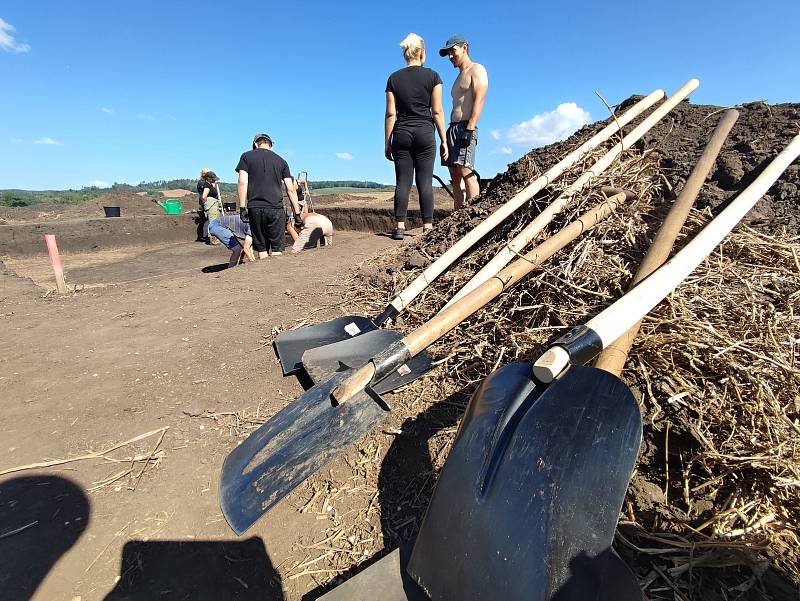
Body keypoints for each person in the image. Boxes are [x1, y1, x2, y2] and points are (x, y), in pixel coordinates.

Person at [384, 33, 448, 241]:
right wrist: (444, 139)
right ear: (421, 52)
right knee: (425, 182)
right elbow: (437, 111)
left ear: (406, 54)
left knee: (402, 181)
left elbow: (391, 113)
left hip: (401, 133)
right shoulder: (433, 76)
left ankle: (399, 227)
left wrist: (387, 142)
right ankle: (427, 226)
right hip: (424, 133)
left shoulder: (393, 78)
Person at [439, 34, 489, 209]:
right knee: (455, 175)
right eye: (448, 54)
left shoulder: (477, 69)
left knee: (466, 171)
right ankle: (457, 218)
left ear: (464, 48)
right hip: (453, 128)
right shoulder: (458, 78)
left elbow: (479, 99)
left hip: (466, 126)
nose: (451, 56)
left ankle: (473, 216)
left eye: (453, 51)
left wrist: (470, 128)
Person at [236, 133, 301, 258]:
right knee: (277, 250)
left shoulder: (246, 157)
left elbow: (242, 182)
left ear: (255, 144)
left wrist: (243, 207)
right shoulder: (281, 161)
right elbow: (290, 189)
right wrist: (297, 213)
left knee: (262, 250)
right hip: (275, 208)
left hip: (255, 208)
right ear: (271, 146)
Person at [199, 170, 223, 244]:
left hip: (214, 205)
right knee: (213, 222)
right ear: (209, 178)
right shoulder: (207, 185)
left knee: (215, 222)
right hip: (211, 206)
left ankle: (215, 238)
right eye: (213, 179)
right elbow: (204, 196)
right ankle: (213, 239)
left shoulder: (209, 184)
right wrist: (207, 203)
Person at [196, 167, 210, 242]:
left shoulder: (202, 182)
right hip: (204, 201)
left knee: (205, 219)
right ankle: (204, 236)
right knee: (206, 219)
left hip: (203, 201)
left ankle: (203, 235)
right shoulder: (202, 182)